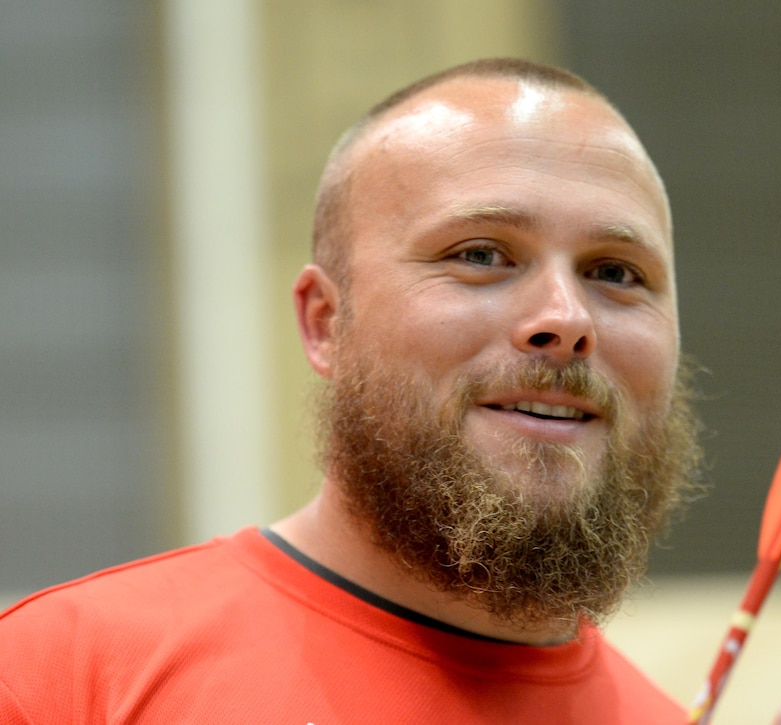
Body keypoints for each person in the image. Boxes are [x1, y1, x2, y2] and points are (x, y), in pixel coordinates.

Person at [0, 58, 703, 723]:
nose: (566, 319)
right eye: (481, 255)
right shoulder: (56, 678)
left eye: (616, 272)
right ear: (326, 323)